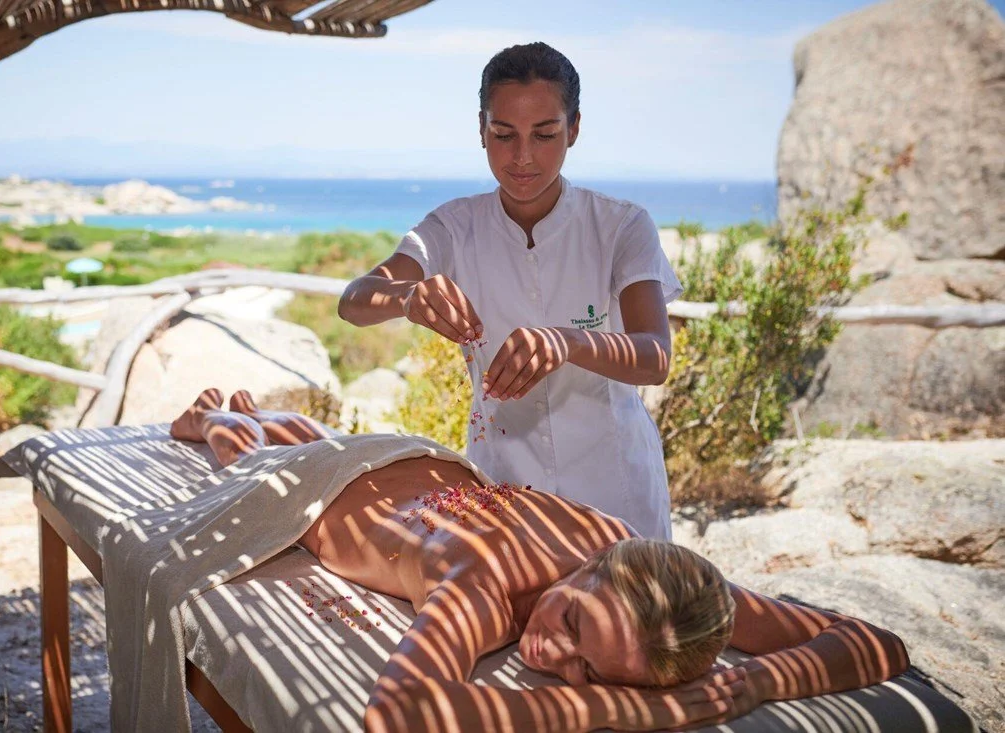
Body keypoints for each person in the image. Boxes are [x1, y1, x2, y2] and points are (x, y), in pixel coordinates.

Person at [170, 389, 911, 733]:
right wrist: (617, 705)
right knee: (248, 444)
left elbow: (877, 644)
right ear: (594, 564)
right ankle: (213, 417)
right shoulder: (484, 586)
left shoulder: (663, 597)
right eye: (572, 621)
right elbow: (396, 712)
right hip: (360, 477)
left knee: (300, 431)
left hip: (388, 474)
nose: (554, 656)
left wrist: (750, 681)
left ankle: (261, 413)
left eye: (588, 672)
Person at [338, 42, 681, 540]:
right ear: (481, 130)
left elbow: (655, 357)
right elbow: (354, 300)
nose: (523, 157)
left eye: (545, 135)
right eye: (504, 134)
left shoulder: (621, 226)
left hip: (616, 491)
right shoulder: (454, 227)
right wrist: (407, 300)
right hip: (505, 491)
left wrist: (569, 342)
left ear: (575, 129)